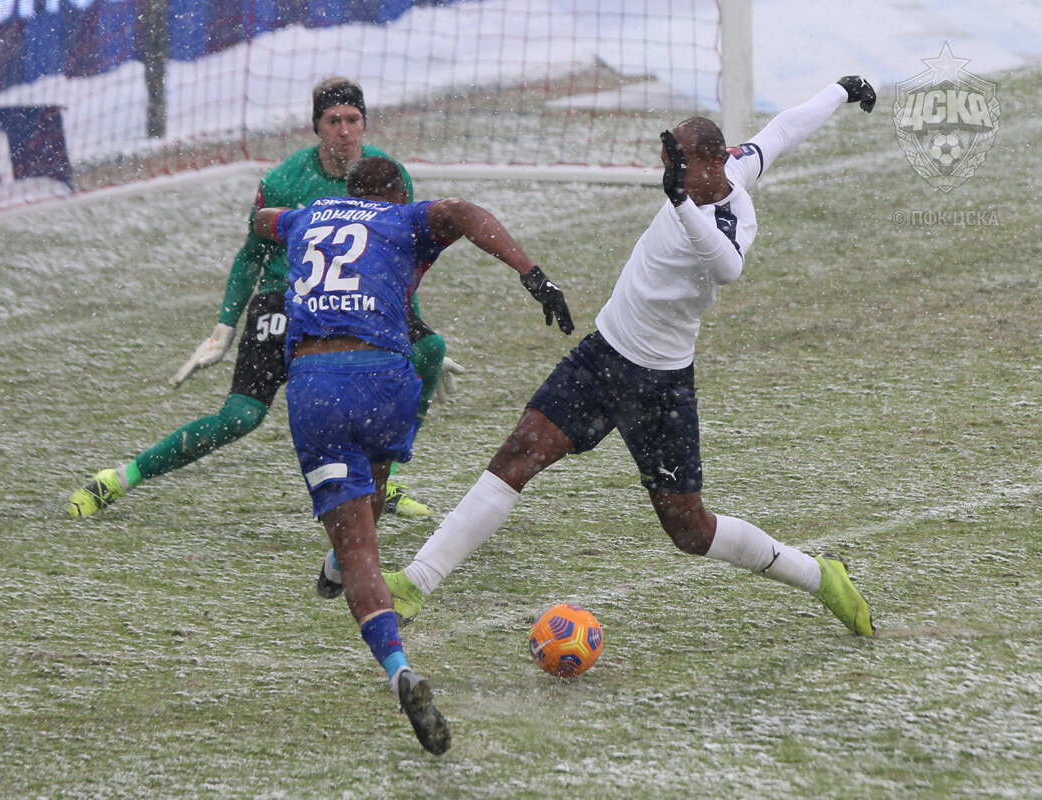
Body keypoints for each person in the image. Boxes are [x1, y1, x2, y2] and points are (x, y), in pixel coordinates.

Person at [371, 76, 879, 636]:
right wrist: (840, 90)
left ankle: (819, 575)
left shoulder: (728, 215)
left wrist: (682, 203)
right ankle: (416, 582)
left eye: (677, 164)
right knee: (519, 453)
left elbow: (727, 268)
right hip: (602, 354)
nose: (669, 172)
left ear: (711, 165)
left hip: (659, 385)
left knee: (689, 530)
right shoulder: (727, 162)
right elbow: (783, 130)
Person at [251, 155, 572, 753]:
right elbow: (465, 212)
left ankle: (399, 668)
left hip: (316, 381)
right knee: (368, 495)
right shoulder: (403, 220)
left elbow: (262, 219)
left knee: (360, 550)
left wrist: (276, 215)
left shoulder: (305, 217)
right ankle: (333, 567)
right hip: (385, 381)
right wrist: (533, 275)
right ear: (400, 196)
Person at [67, 77, 448, 520]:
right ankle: (119, 478)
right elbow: (251, 255)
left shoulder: (388, 175)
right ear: (317, 127)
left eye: (353, 119)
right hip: (285, 300)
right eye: (333, 120)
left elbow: (396, 260)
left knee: (429, 349)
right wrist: (223, 327)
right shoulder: (284, 180)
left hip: (353, 296)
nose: (344, 130)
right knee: (241, 416)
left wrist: (408, 327)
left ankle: (385, 481)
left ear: (364, 123)